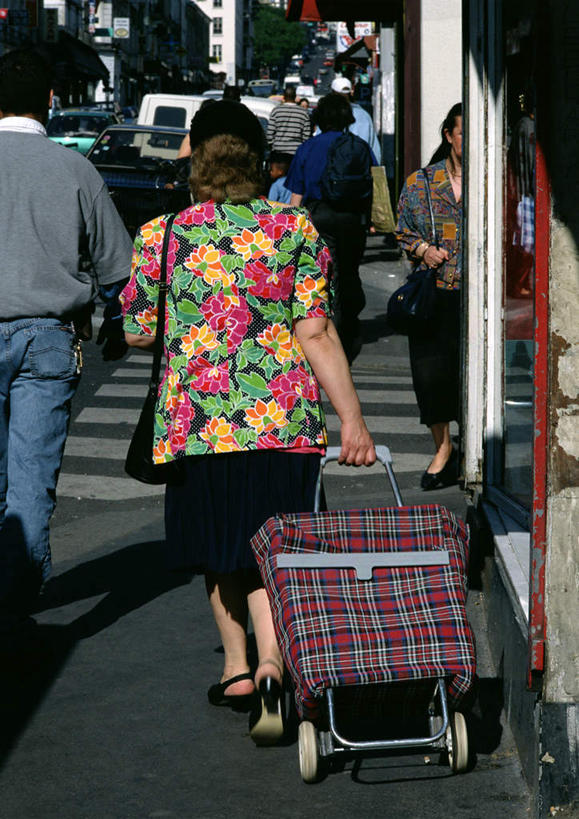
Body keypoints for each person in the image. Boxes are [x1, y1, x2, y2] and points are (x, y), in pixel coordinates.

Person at [121, 100, 375, 745]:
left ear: (197, 167)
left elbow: (138, 331)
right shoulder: (294, 229)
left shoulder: (162, 236)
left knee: (219, 544)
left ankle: (239, 668)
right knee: (276, 547)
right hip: (284, 422)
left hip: (196, 424)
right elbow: (315, 331)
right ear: (260, 165)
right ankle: (273, 661)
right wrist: (353, 421)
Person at [0, 49, 133, 641]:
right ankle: (15, 599)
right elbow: (117, 265)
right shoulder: (74, 170)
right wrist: (111, 321)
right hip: (50, 335)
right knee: (32, 474)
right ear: (51, 103)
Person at [395, 103, 463, 490]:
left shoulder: (489, 179)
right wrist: (423, 250)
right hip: (433, 293)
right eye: (461, 132)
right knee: (430, 375)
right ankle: (443, 448)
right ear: (448, 136)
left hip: (475, 295)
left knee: (465, 376)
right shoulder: (421, 182)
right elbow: (403, 230)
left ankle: (471, 447)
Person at [286, 93, 375, 363]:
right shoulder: (359, 146)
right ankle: (348, 327)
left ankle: (325, 333)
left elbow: (296, 197)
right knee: (349, 271)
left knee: (322, 277)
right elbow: (374, 185)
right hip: (352, 219)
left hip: (319, 218)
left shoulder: (307, 148)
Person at [330, 76, 381, 164]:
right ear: (351, 93)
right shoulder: (363, 115)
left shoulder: (328, 114)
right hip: (360, 171)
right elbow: (374, 150)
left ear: (333, 93)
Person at [266, 85, 311, 157]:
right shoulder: (303, 113)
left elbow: (270, 134)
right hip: (296, 152)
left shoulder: (276, 111)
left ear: (284, 97)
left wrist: (273, 146)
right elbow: (306, 136)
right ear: (295, 97)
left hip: (278, 152)